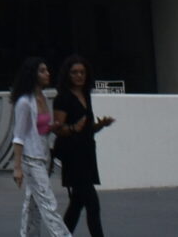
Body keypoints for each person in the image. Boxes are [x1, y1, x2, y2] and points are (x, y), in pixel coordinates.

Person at [10, 56, 71, 237]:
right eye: (42, 71)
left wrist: (52, 128)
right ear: (33, 75)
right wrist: (17, 167)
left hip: (43, 157)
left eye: (47, 70)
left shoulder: (43, 97)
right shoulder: (24, 102)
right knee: (48, 203)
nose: (47, 73)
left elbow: (40, 130)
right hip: (31, 159)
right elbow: (19, 136)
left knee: (33, 205)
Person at [54, 56, 114, 236]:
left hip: (87, 153)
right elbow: (58, 128)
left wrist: (100, 125)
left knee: (77, 204)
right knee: (92, 204)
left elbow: (86, 129)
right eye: (74, 72)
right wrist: (73, 127)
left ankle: (61, 235)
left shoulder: (85, 96)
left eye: (82, 72)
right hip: (73, 155)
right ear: (68, 75)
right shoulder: (63, 98)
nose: (79, 76)